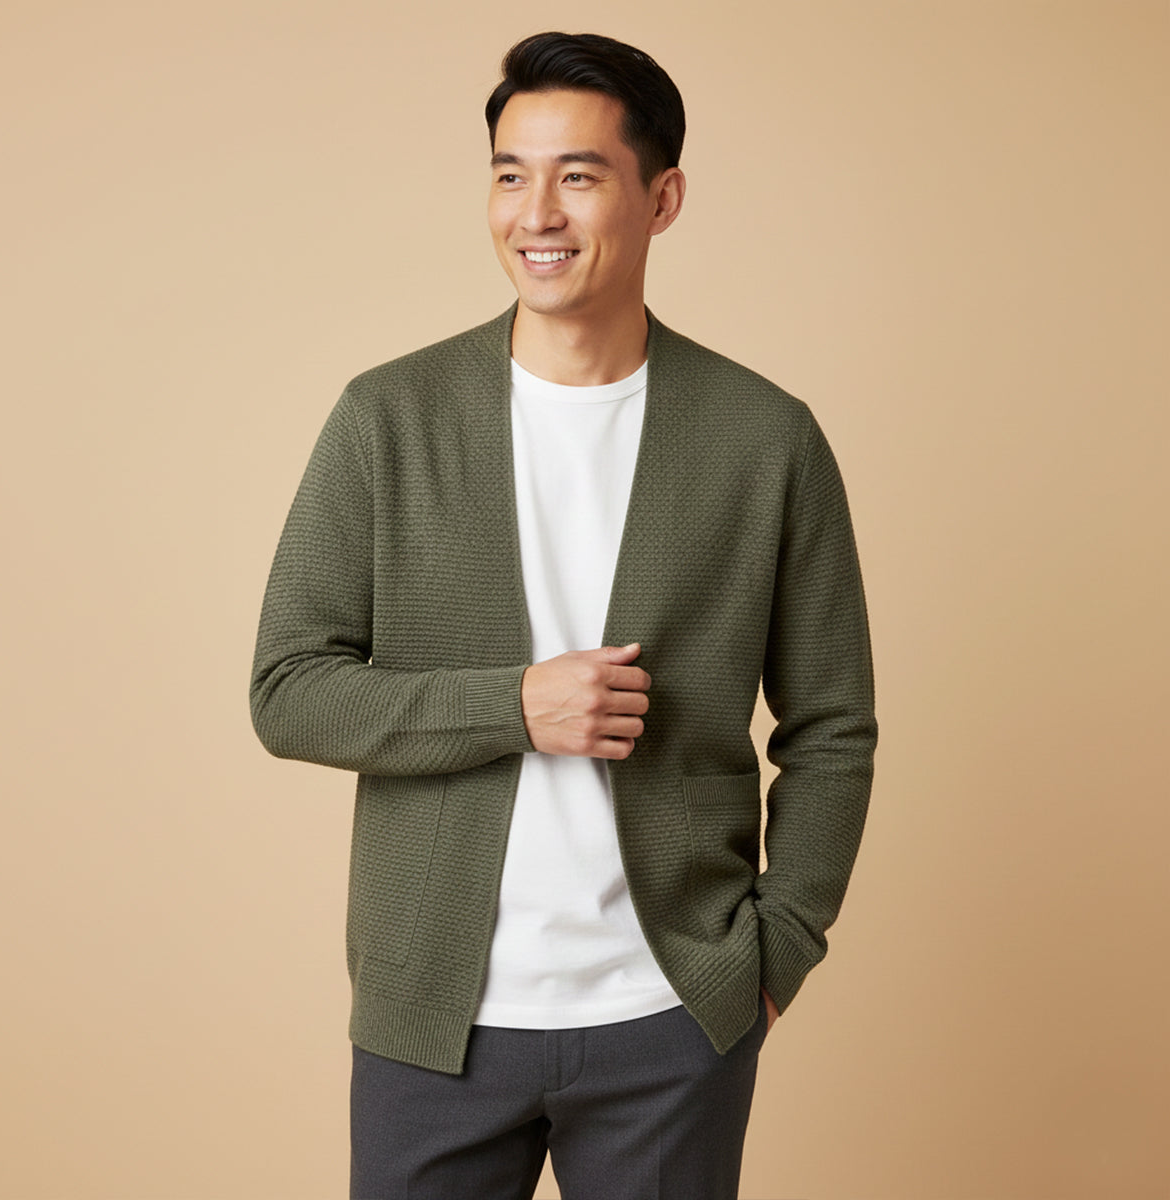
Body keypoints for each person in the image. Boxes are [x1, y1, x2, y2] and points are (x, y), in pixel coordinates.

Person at [250, 30, 877, 1200]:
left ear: (662, 198)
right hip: (433, 1022)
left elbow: (833, 726)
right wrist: (514, 706)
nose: (535, 213)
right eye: (509, 174)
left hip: (670, 1020)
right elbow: (288, 691)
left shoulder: (764, 438)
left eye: (578, 176)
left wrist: (774, 952)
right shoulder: (388, 418)